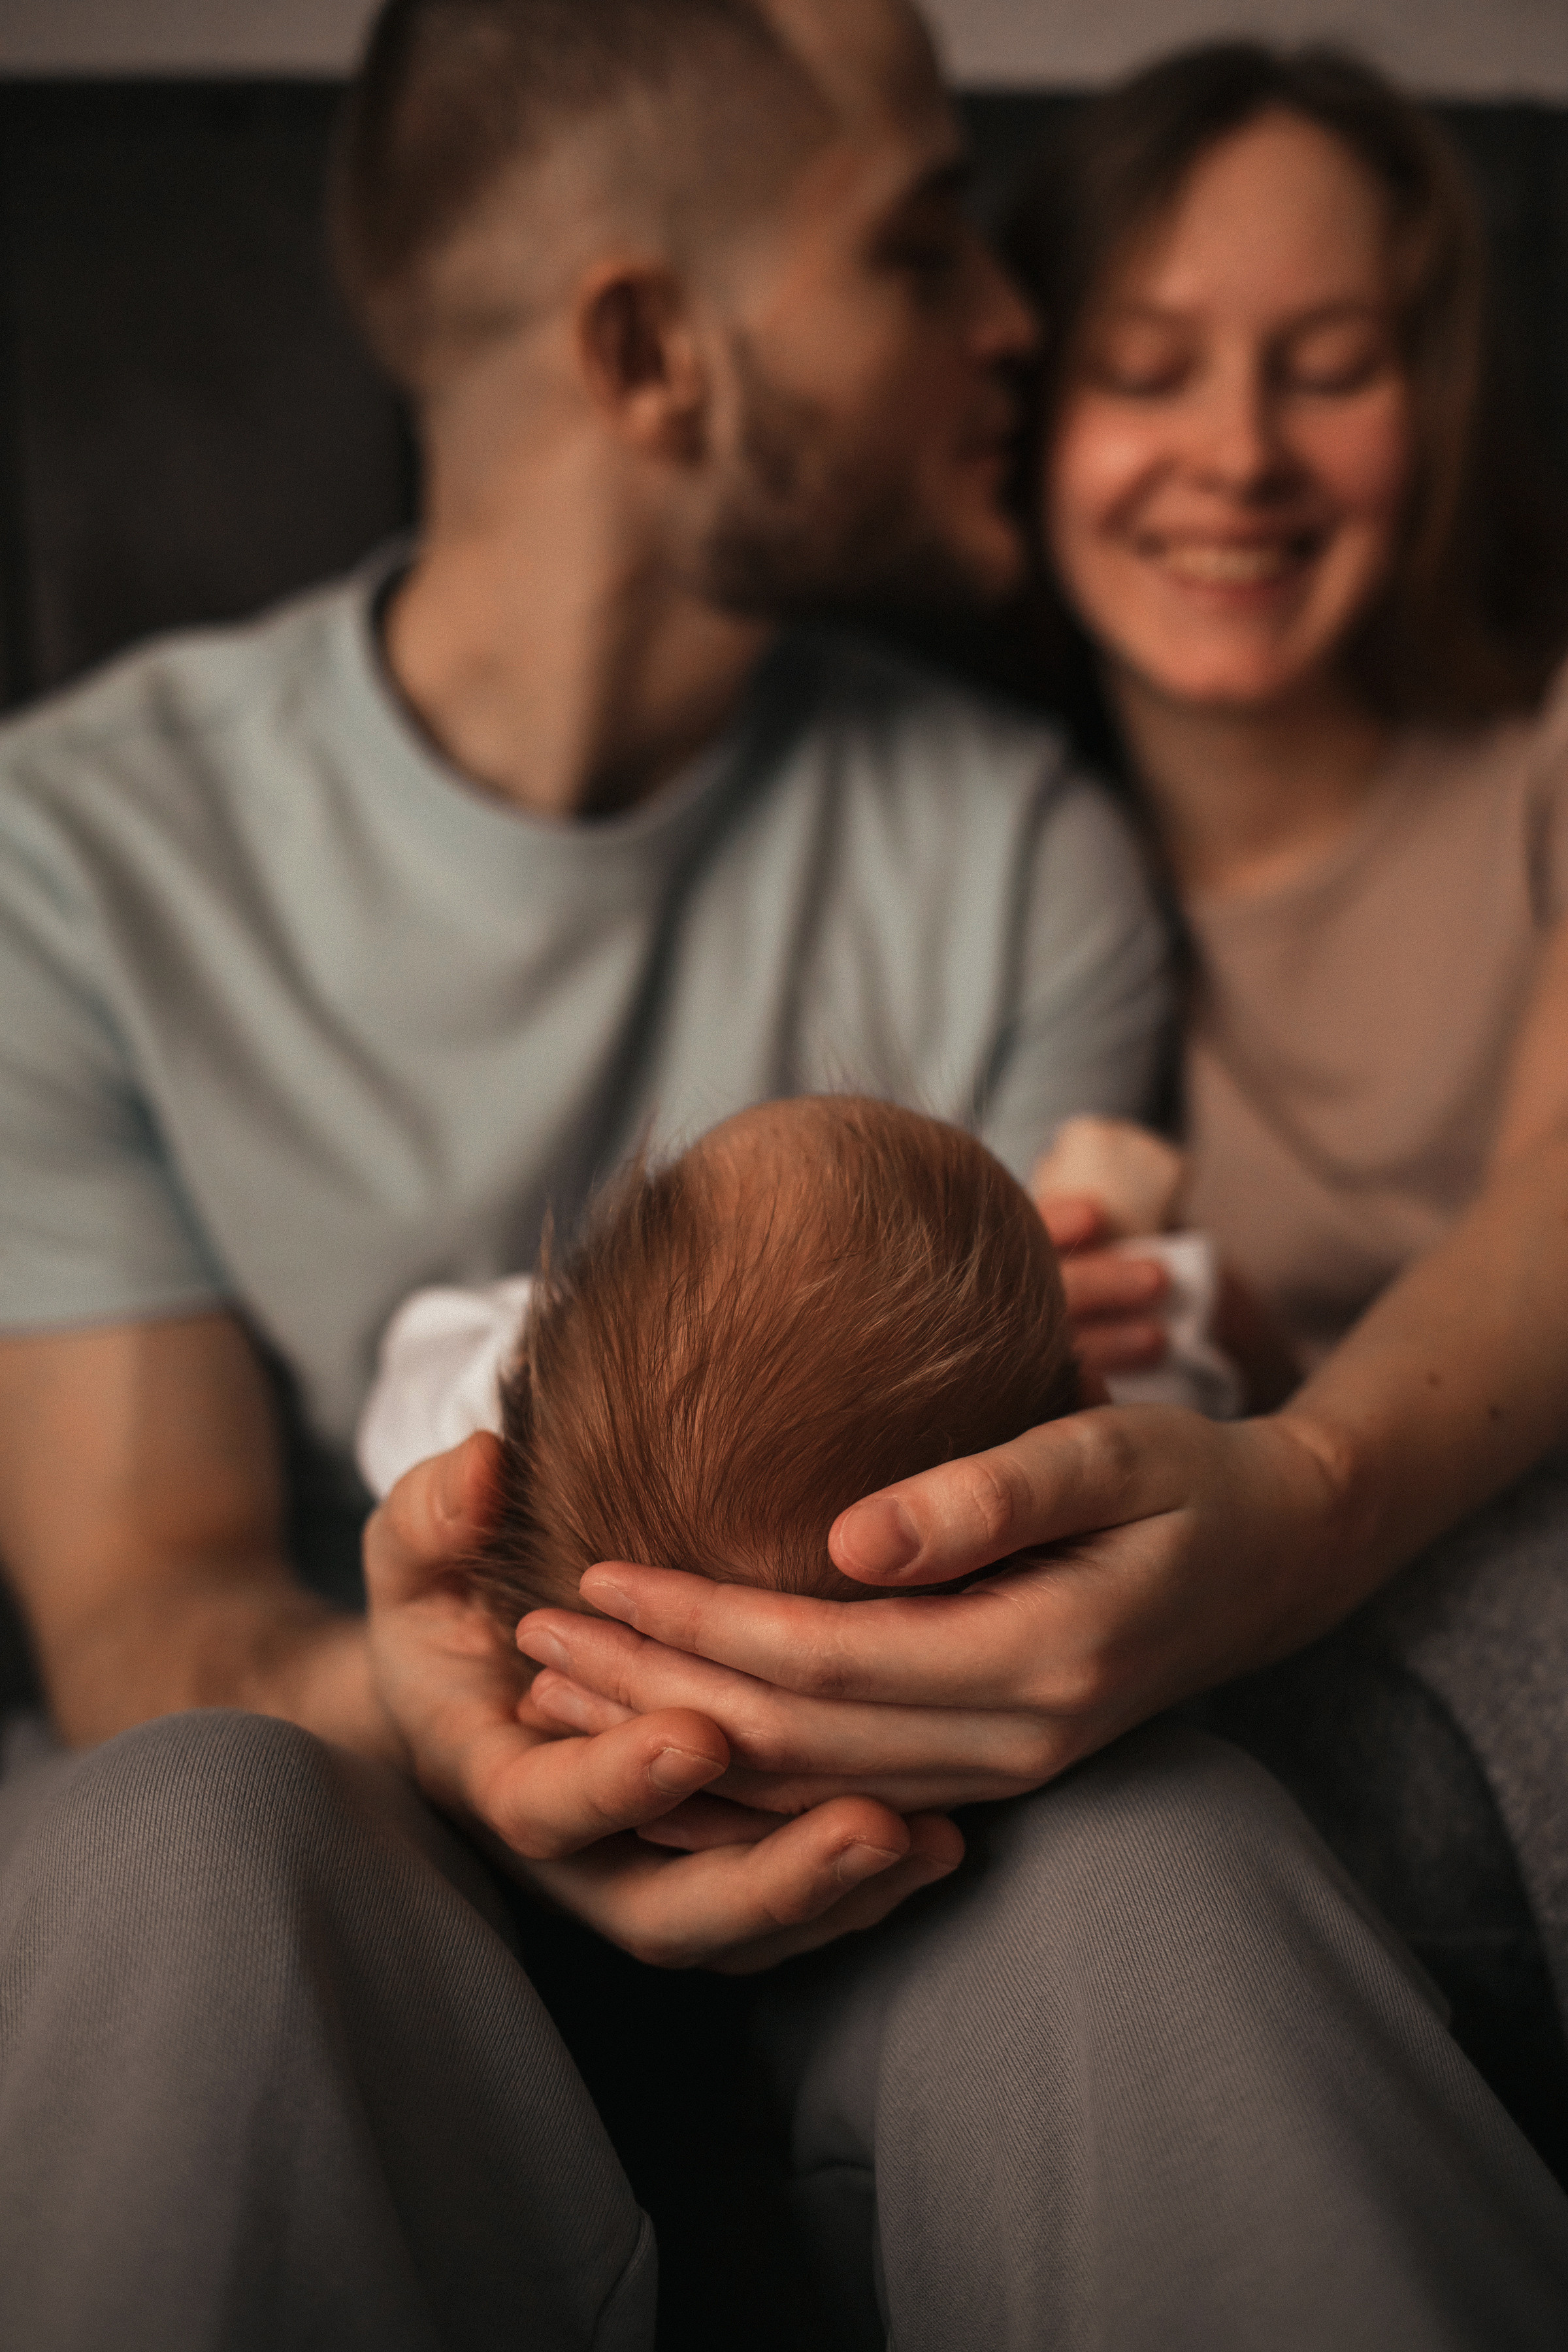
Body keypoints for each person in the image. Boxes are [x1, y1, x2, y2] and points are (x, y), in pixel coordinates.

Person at [2, 10, 1567, 2351]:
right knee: (175, 1837)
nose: (1009, 323)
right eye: (924, 243)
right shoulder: (70, 856)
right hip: (357, 1790)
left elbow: (1060, 1397)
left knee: (1157, 1873)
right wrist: (472, 1705)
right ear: (652, 347)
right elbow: (143, 1615)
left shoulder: (1017, 838)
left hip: (920, 1819)